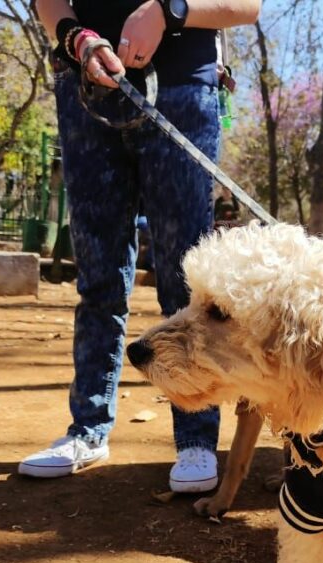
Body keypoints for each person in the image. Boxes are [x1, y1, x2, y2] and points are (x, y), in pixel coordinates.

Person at [20, 0, 261, 490]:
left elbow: (248, 6)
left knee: (185, 280)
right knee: (98, 276)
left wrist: (169, 11)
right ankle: (87, 429)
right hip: (84, 87)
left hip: (182, 86)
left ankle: (196, 440)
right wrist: (76, 37)